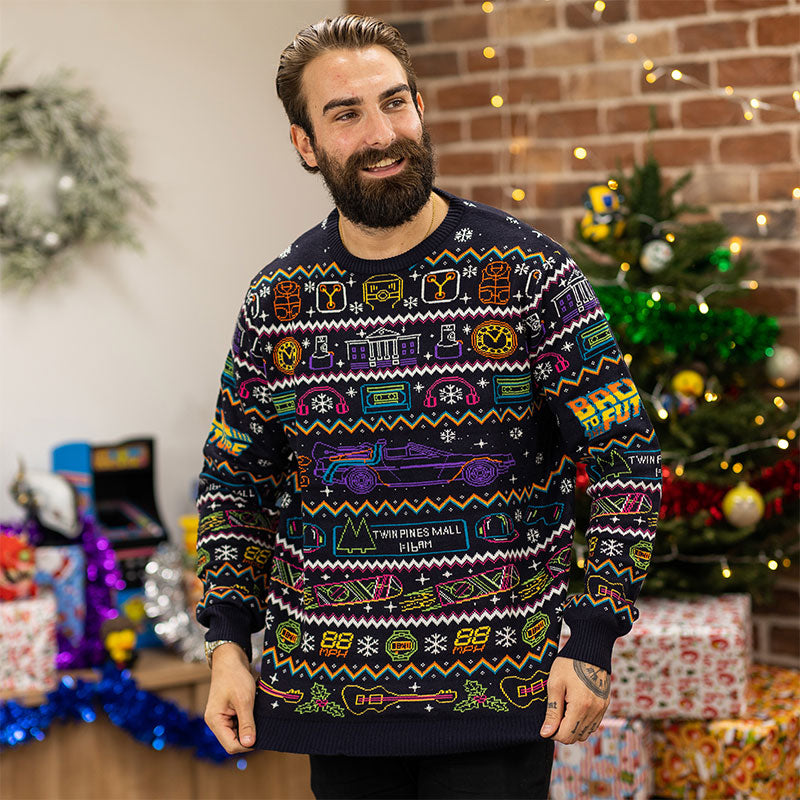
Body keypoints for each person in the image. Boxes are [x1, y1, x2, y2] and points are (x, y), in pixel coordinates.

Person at [196, 14, 661, 800]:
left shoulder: (530, 275)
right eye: (346, 113)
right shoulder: (278, 299)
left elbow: (627, 461)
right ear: (306, 143)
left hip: (500, 695)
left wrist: (592, 636)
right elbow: (234, 485)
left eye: (395, 102)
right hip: (335, 701)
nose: (382, 134)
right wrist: (228, 643)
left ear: (419, 107)